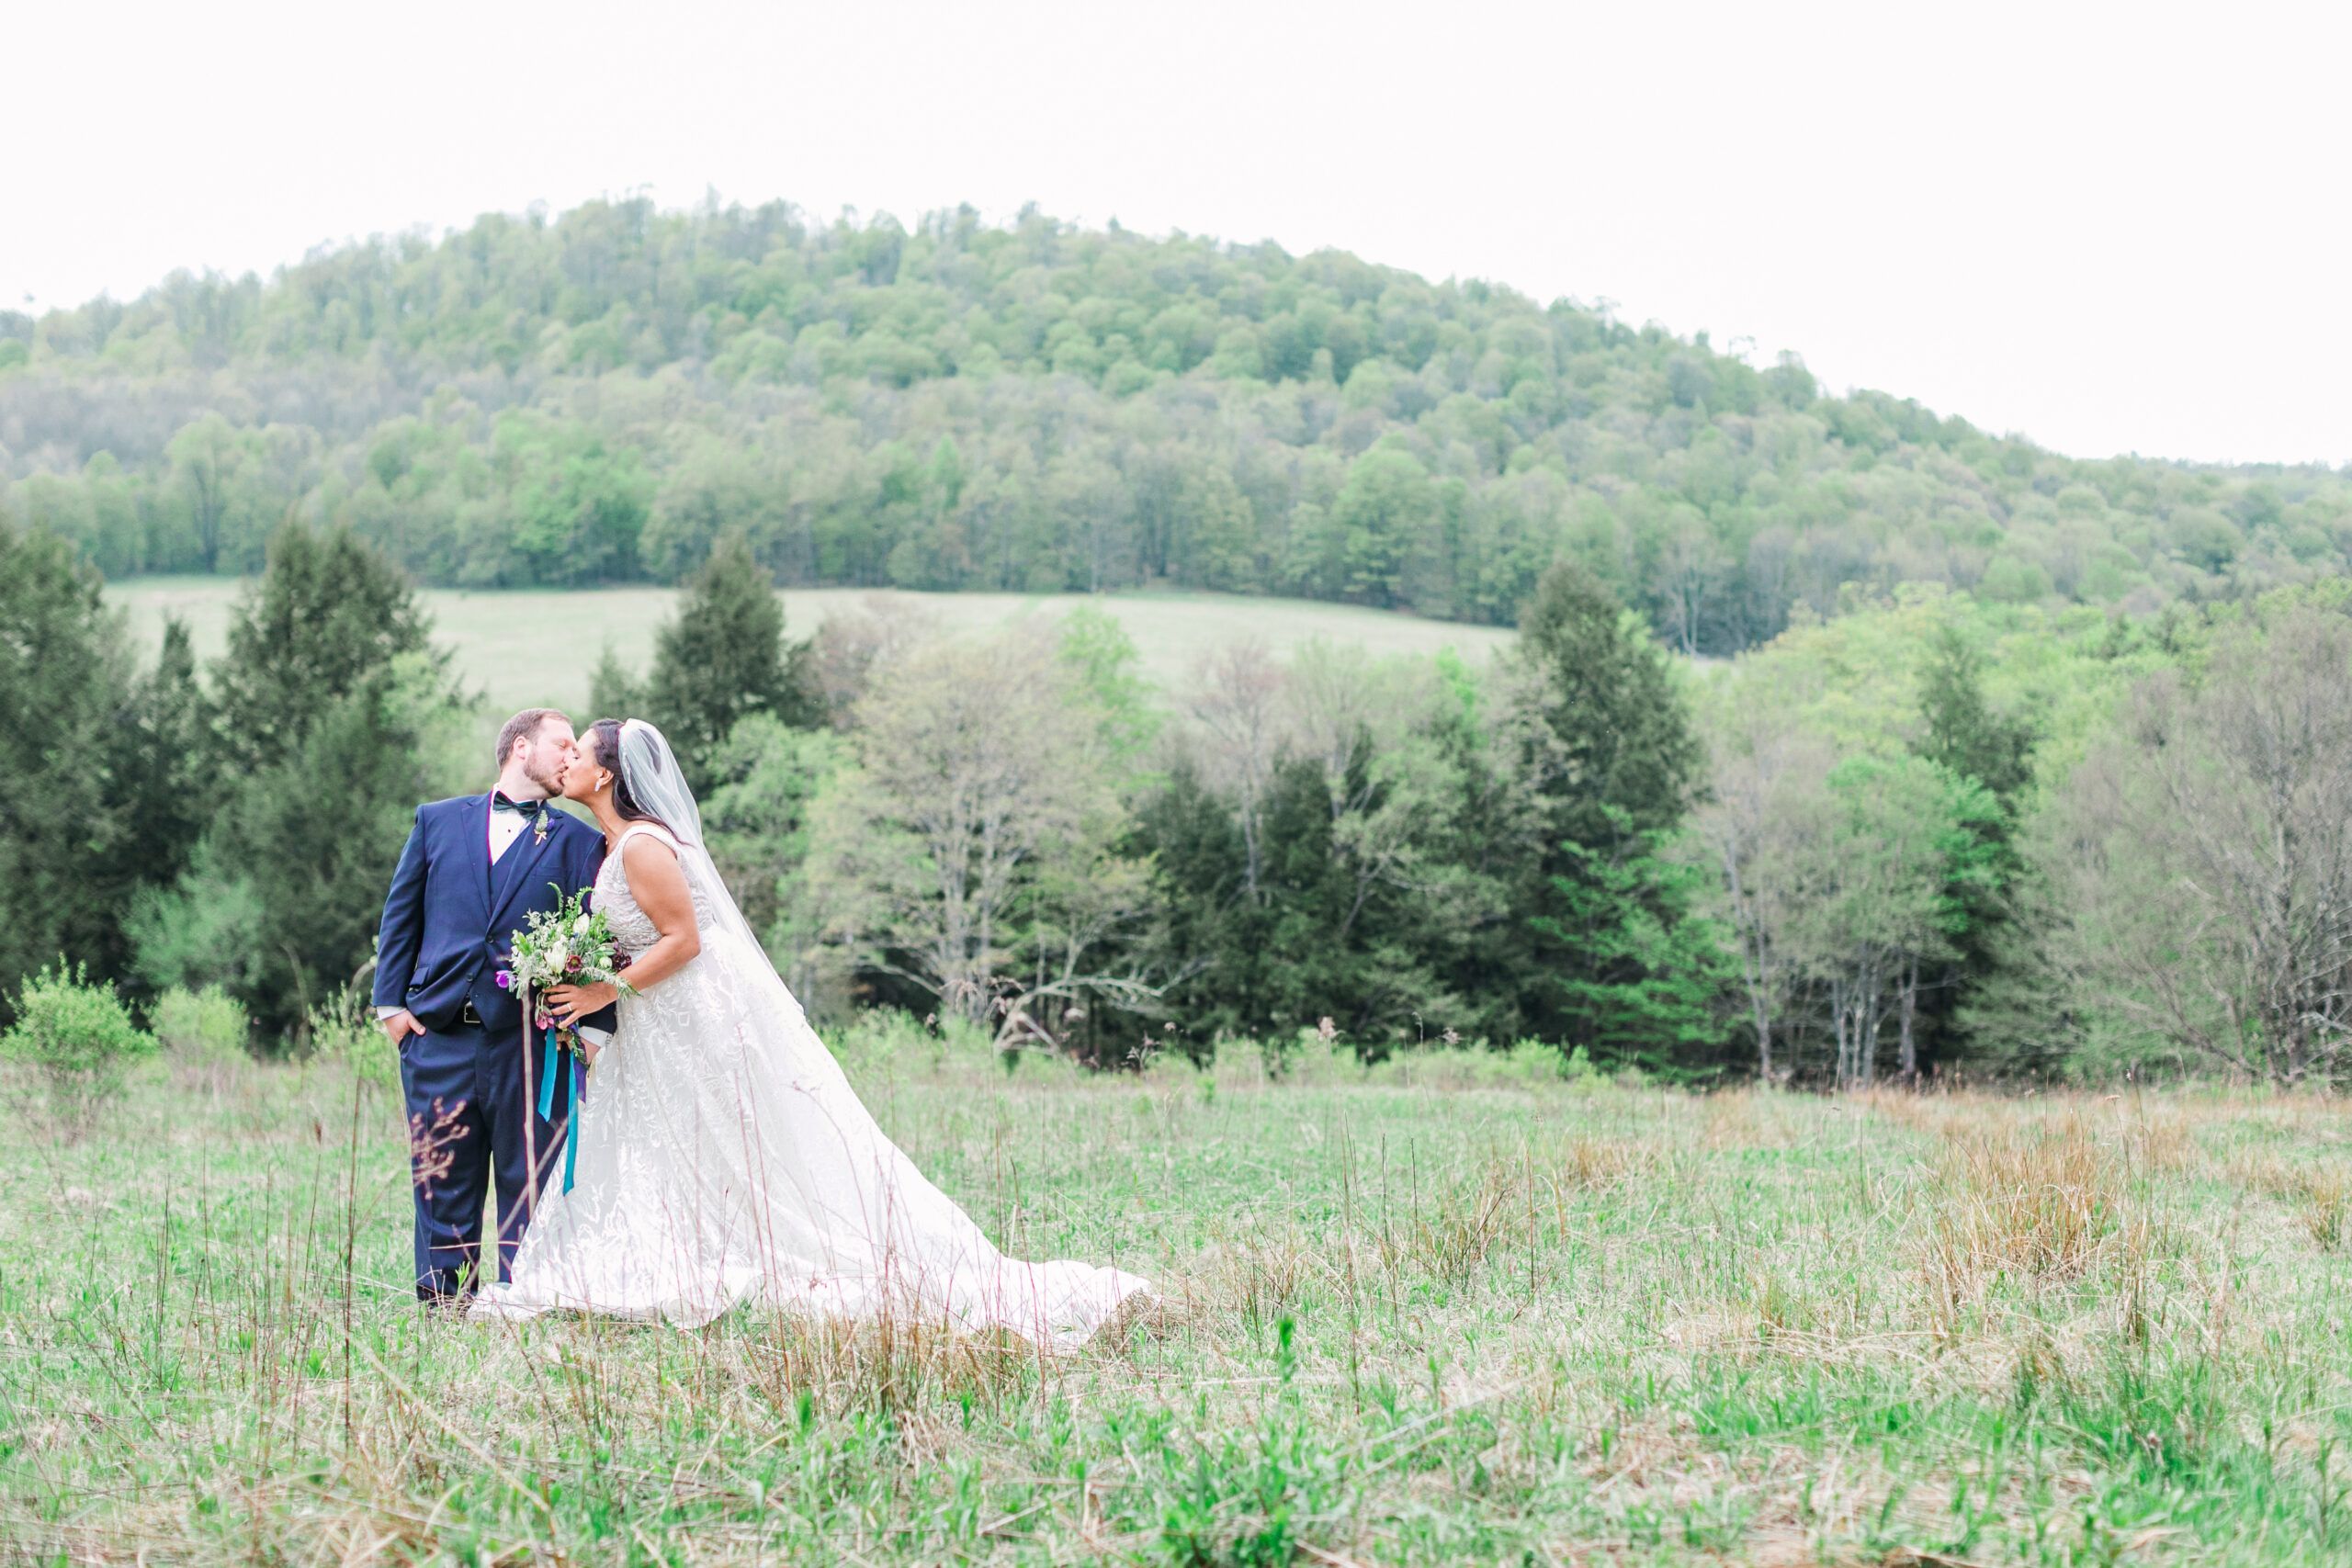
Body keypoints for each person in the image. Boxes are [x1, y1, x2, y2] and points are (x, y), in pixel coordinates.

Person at [471, 718, 1150, 1348]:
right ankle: (699, 1246)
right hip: (662, 1018)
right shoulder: (620, 845)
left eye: (580, 750)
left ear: (608, 775)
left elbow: (684, 940)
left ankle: (772, 1249)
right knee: (687, 1139)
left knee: (744, 1138)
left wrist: (598, 988)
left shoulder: (644, 846)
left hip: (697, 1012)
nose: (569, 757)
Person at [373, 708, 617, 1301]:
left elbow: (601, 935)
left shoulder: (582, 841)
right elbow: (402, 914)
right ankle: (444, 1306)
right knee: (441, 1179)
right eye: (561, 744)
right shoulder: (436, 822)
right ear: (520, 747)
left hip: (532, 1043)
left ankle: (521, 1301)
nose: (570, 756)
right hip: (437, 1036)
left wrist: (593, 1031)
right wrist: (392, 1010)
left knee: (528, 1179)